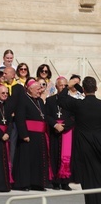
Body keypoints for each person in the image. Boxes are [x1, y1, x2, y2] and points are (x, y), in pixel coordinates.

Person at [58, 76, 101, 204]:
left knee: (87, 179)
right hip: (99, 144)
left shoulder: (78, 104)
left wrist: (68, 86)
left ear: (83, 89)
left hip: (84, 146)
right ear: (96, 88)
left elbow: (61, 99)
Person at [13, 78, 50, 191]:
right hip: (28, 135)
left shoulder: (39, 101)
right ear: (30, 89)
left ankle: (37, 183)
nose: (40, 91)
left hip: (39, 135)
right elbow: (20, 118)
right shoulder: (23, 100)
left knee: (38, 160)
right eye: (38, 89)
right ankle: (23, 184)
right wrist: (24, 134)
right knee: (26, 160)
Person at [45, 76, 74, 191]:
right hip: (54, 131)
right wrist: (55, 125)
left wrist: (64, 126)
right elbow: (46, 115)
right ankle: (55, 182)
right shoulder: (50, 100)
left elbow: (74, 117)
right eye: (61, 85)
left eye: (65, 85)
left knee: (66, 157)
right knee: (54, 155)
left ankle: (65, 182)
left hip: (67, 131)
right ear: (56, 86)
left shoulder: (71, 101)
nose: (63, 87)